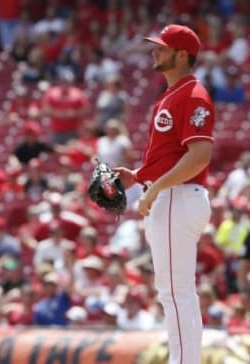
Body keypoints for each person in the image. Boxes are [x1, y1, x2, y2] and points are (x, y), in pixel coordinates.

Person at [115, 25, 215, 364]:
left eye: (163, 47)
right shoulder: (173, 94)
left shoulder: (193, 93)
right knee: (173, 293)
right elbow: (171, 156)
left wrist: (156, 187)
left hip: (178, 195)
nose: (155, 52)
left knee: (176, 293)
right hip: (173, 195)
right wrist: (139, 177)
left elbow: (199, 156)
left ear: (182, 54)